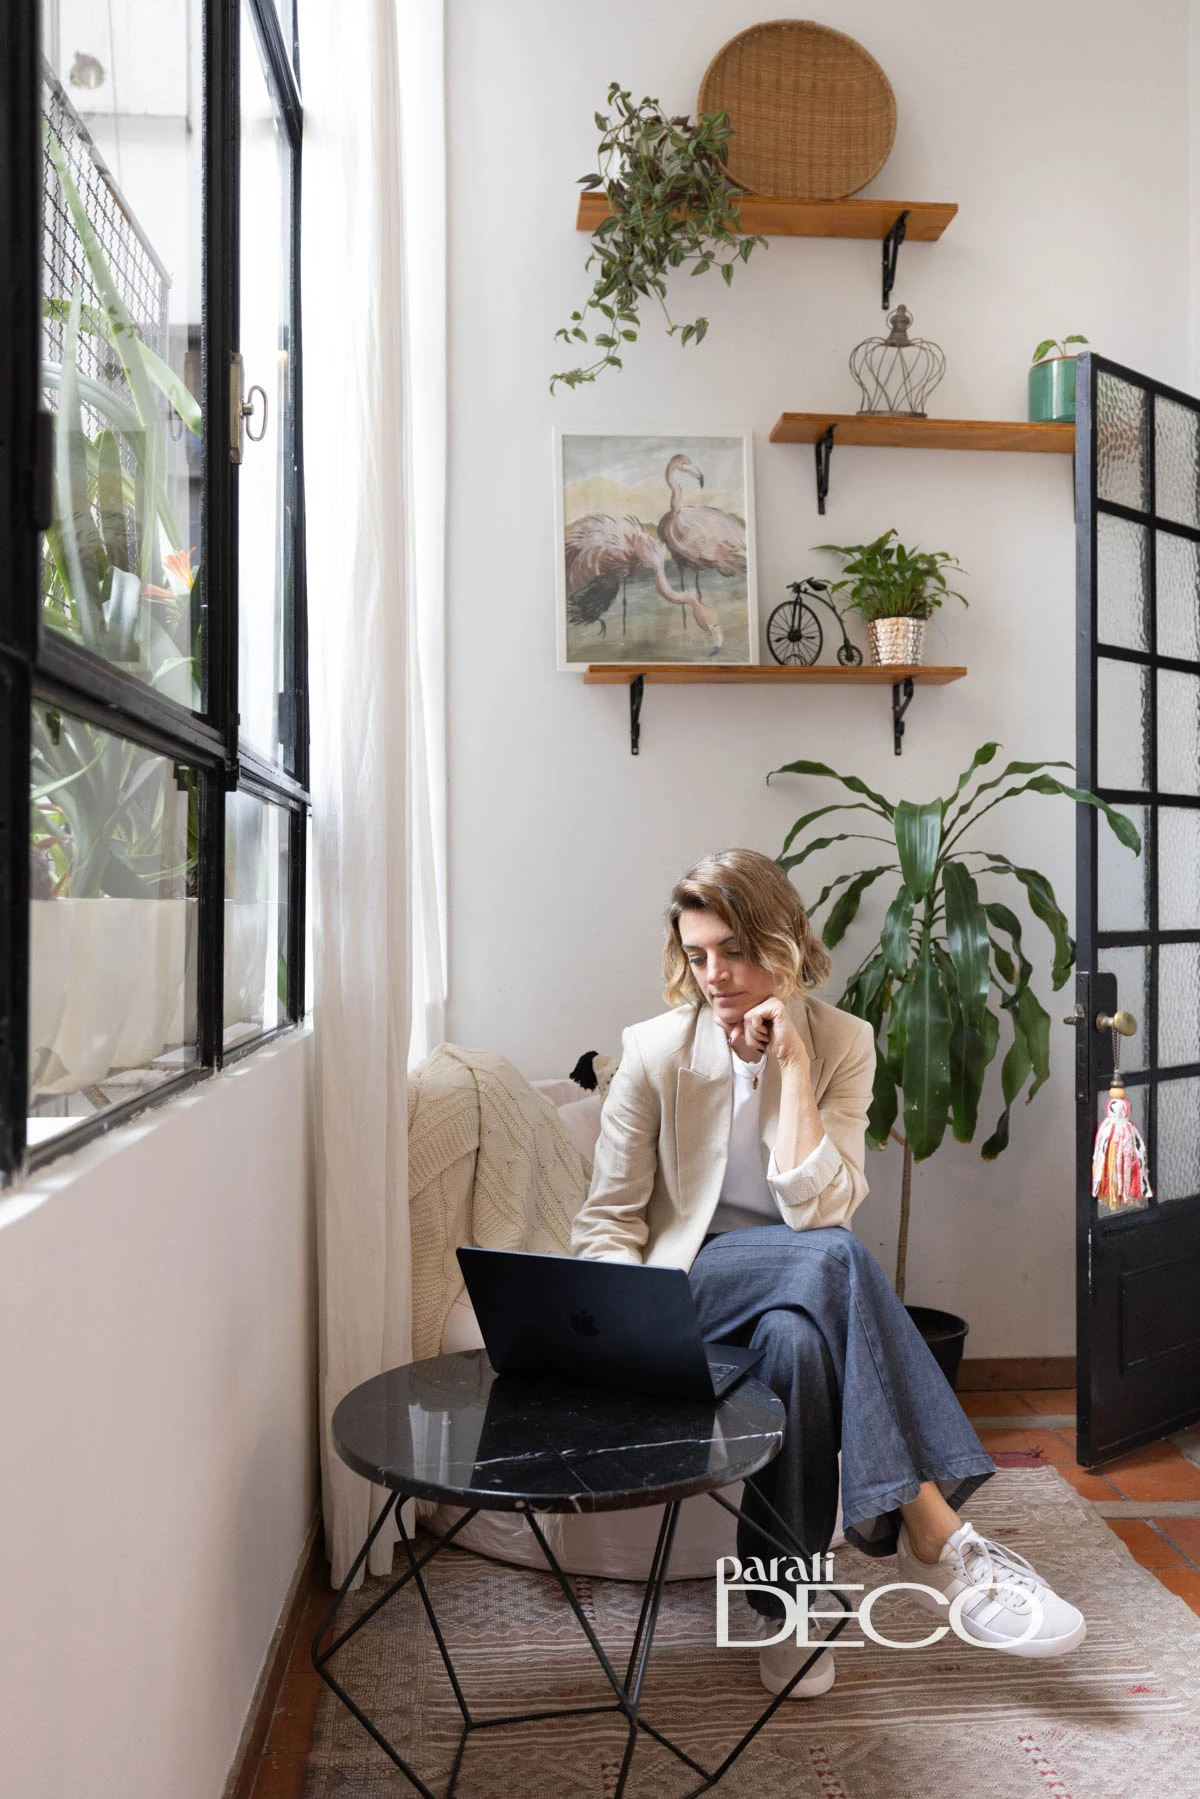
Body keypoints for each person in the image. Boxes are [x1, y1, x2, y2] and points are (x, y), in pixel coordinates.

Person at [571, 847, 1087, 1700]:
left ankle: (788, 1604)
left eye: (732, 950)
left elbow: (818, 1215)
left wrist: (795, 1069)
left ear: (781, 940)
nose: (714, 974)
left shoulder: (843, 1044)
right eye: (697, 954)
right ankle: (940, 1533)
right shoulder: (654, 1052)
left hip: (795, 1292)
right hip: (686, 1295)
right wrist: (627, 1334)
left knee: (800, 1339)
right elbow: (608, 1219)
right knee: (840, 1263)